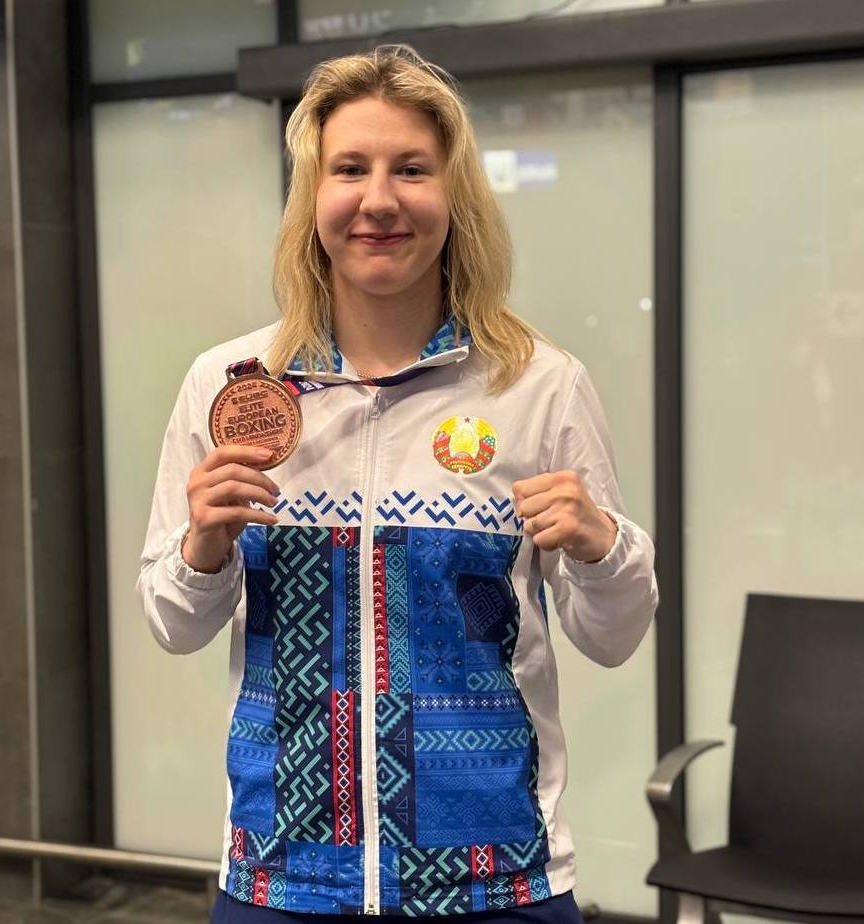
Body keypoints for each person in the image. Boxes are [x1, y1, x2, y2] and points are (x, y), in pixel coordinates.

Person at [138, 44, 658, 923]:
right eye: (350, 169)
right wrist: (203, 550)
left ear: (454, 198)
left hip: (496, 884)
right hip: (282, 879)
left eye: (411, 169)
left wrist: (602, 546)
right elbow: (171, 623)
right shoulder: (229, 384)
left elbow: (613, 636)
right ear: (313, 197)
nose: (378, 199)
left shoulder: (537, 385)